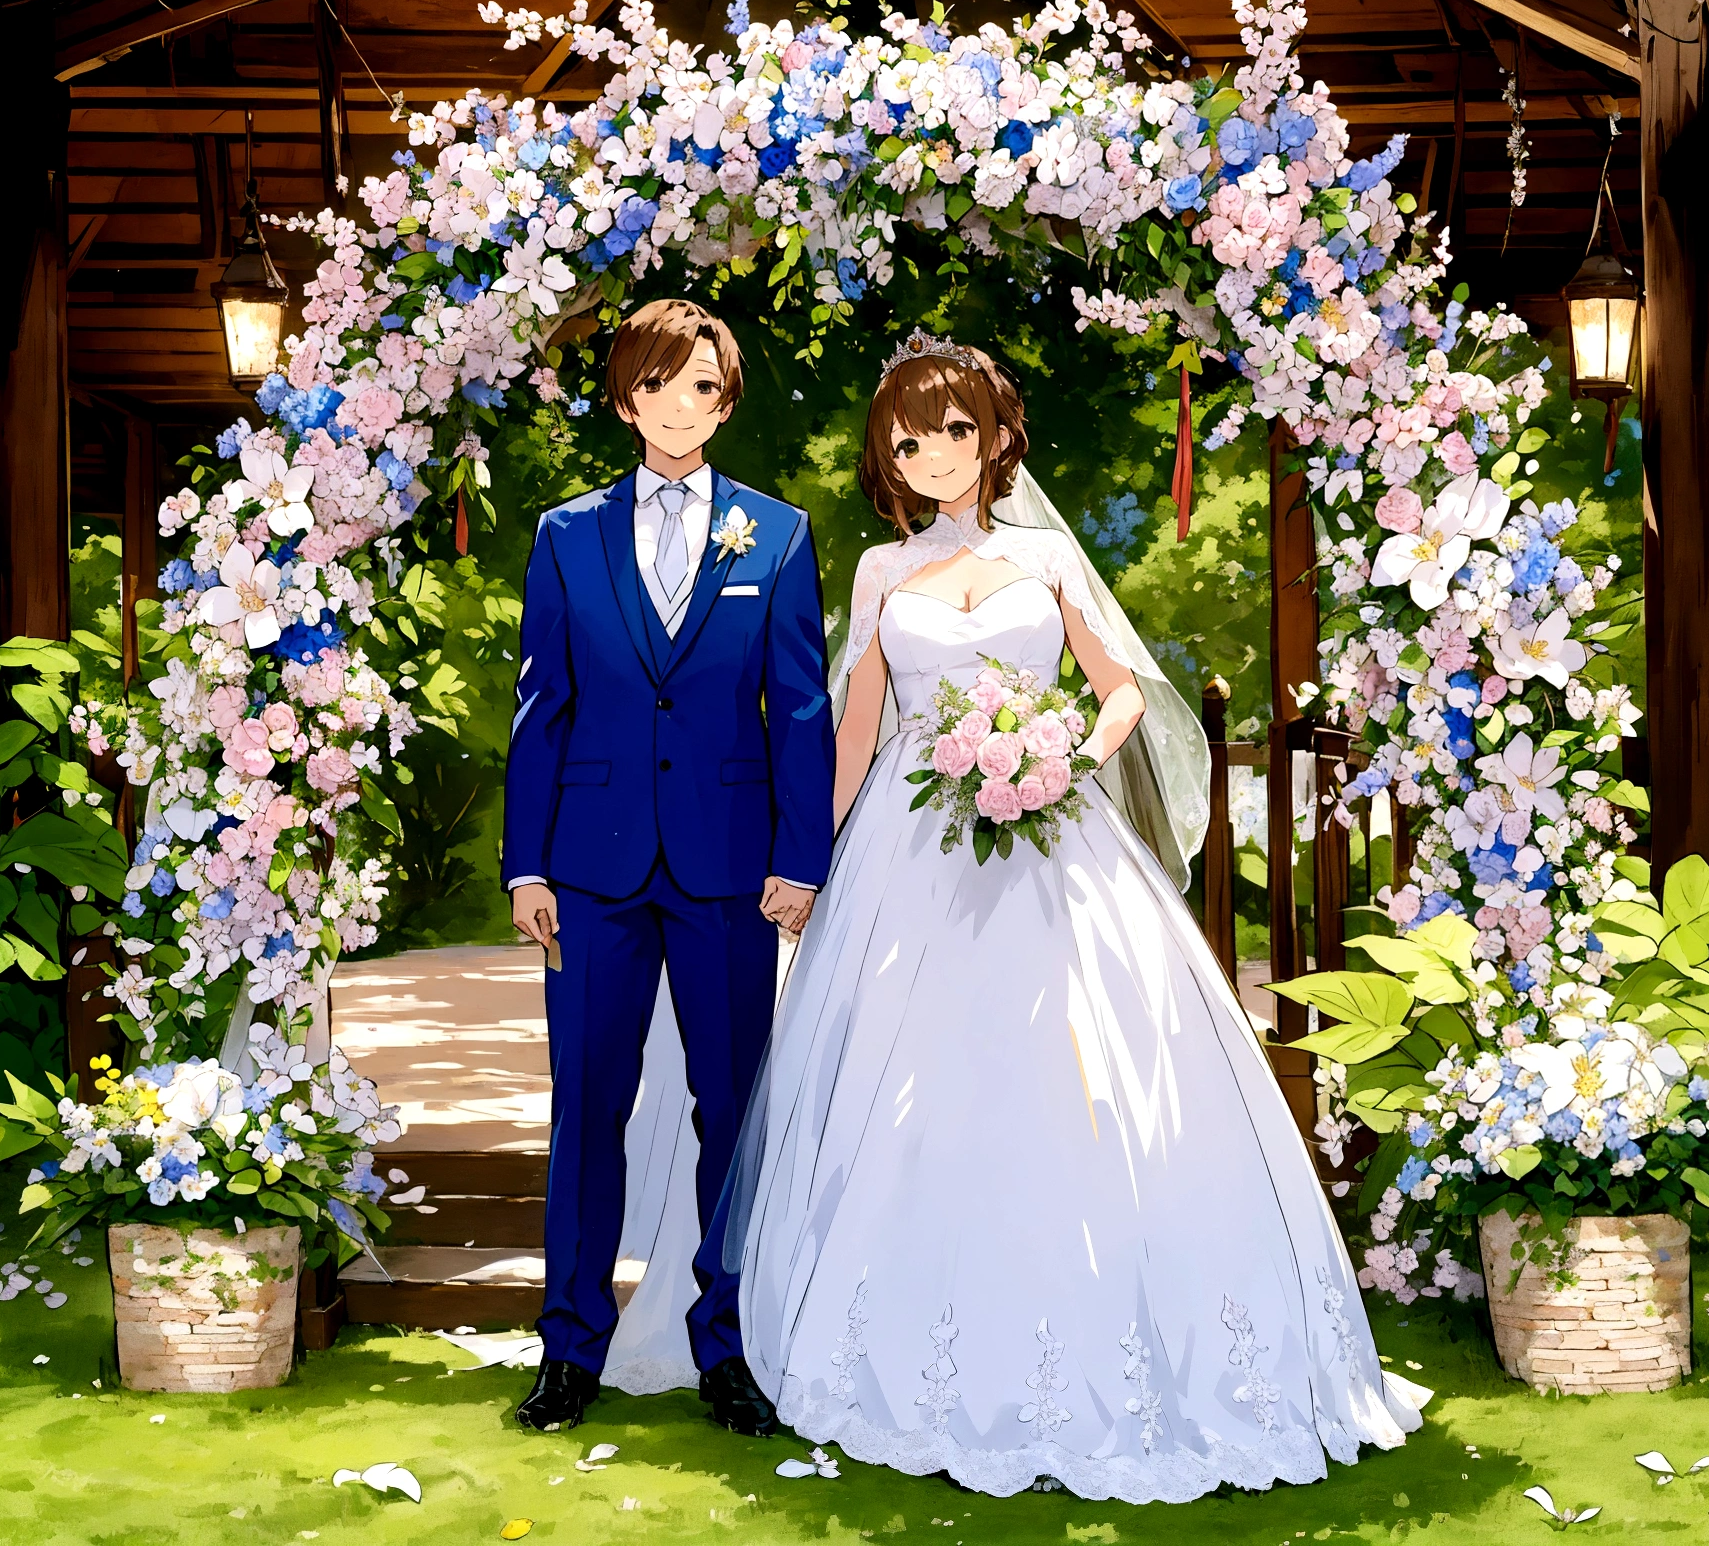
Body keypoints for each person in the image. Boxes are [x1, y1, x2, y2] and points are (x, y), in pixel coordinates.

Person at [609, 330, 1427, 1500]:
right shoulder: (880, 576)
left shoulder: (1044, 558)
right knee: (906, 1085)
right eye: (909, 437)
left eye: (954, 429)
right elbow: (853, 731)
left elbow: (1118, 695)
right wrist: (805, 859)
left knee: (1088, 1068)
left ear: (993, 438)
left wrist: (1057, 758)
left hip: (1053, 833)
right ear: (887, 457)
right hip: (911, 838)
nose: (934, 452)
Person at [501, 297, 836, 1435]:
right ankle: (567, 1347)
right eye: (655, 384)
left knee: (730, 1109)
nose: (677, 405)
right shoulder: (563, 534)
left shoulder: (777, 535)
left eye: (700, 385)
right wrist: (525, 866)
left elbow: (798, 710)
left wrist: (800, 859)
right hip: (587, 871)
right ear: (624, 396)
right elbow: (541, 706)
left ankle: (729, 1347)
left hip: (729, 871)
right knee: (586, 1105)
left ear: (725, 398)